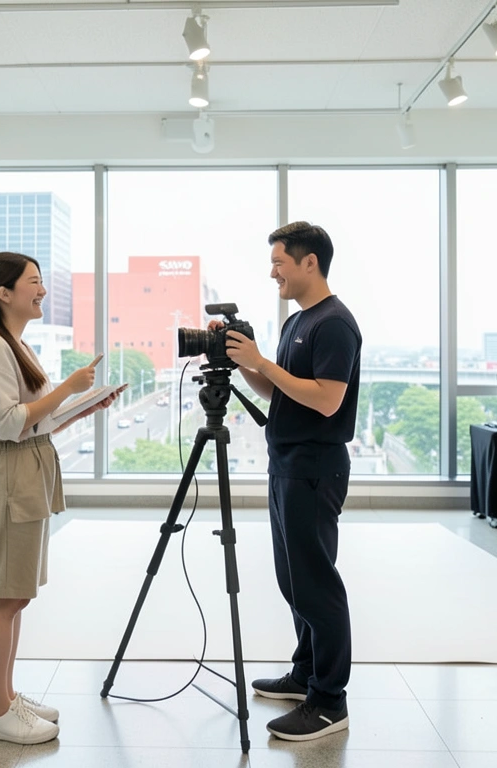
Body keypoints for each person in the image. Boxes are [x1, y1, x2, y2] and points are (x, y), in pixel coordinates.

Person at [0, 251, 123, 745]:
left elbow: (38, 419)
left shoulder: (14, 343)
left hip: (27, 468)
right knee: (4, 597)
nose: (42, 290)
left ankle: (7, 698)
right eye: (33, 282)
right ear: (4, 292)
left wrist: (83, 404)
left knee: (16, 596)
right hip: (11, 473)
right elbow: (10, 422)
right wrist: (70, 388)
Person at [216, 222, 362, 741]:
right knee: (292, 579)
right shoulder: (298, 321)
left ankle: (329, 700)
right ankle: (306, 673)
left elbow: (326, 398)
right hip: (287, 465)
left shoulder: (334, 324)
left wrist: (264, 365)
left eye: (279, 261)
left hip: (315, 468)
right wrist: (249, 362)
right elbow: (281, 390)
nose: (272, 270)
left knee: (317, 584)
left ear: (310, 263)